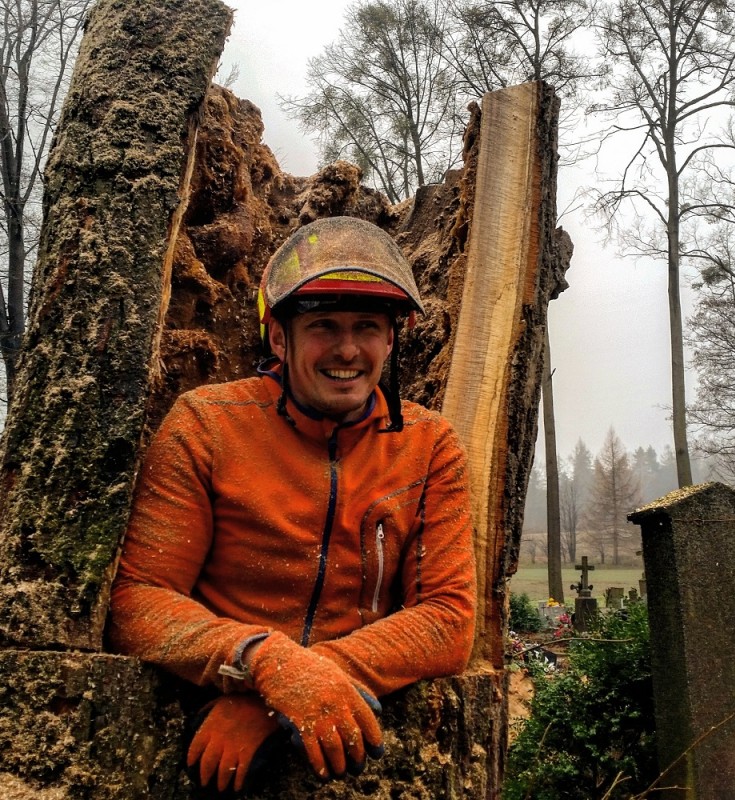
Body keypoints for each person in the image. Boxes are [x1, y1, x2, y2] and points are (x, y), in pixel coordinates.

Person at [108, 216, 477, 794]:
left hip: (364, 735)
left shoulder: (429, 445)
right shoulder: (206, 426)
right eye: (324, 325)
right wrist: (260, 662)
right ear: (279, 338)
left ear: (390, 339)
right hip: (199, 725)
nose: (348, 349)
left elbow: (448, 617)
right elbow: (138, 599)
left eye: (367, 327)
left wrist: (294, 686)